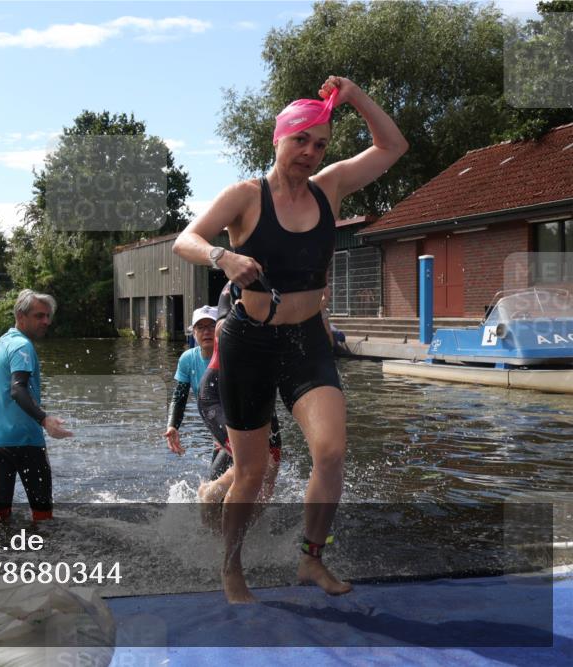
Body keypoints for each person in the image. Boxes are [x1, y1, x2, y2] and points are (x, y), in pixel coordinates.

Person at [173, 75, 408, 603]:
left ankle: (310, 557)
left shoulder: (330, 187)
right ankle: (232, 567)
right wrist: (222, 256)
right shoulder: (245, 196)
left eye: (320, 144)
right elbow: (186, 240)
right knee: (252, 472)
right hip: (249, 344)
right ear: (278, 139)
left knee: (331, 451)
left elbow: (393, 146)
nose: (310, 151)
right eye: (300, 139)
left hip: (305, 341)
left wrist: (355, 97)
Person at [0, 289, 73, 521]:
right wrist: (44, 419)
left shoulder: (3, 341)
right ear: (20, 316)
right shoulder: (22, 346)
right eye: (39, 316)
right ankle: (43, 544)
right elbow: (17, 389)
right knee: (43, 516)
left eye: (48, 316)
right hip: (25, 440)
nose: (46, 321)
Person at [196, 283, 282, 501]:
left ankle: (253, 520)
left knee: (270, 469)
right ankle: (210, 496)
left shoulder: (285, 286)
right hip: (219, 391)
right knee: (254, 462)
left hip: (260, 391)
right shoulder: (236, 283)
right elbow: (221, 330)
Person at [164, 305, 217, 460]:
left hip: (242, 424)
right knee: (219, 473)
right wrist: (173, 425)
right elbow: (179, 397)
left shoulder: (230, 355)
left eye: (212, 326)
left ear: (221, 329)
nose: (206, 332)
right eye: (200, 327)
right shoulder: (188, 359)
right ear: (194, 333)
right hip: (218, 427)